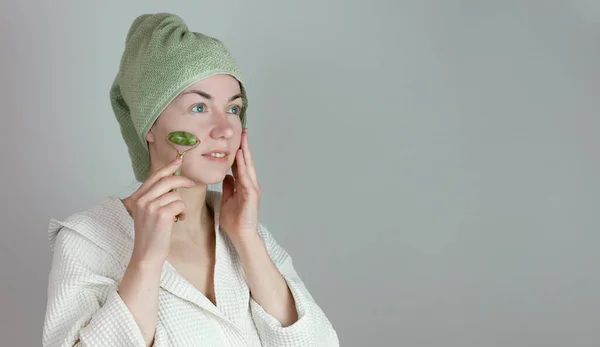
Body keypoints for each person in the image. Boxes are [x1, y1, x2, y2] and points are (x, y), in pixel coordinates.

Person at [42, 13, 339, 347]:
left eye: (234, 108)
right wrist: (146, 258)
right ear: (150, 126)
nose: (226, 129)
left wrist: (247, 238)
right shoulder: (89, 240)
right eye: (199, 107)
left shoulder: (247, 233)